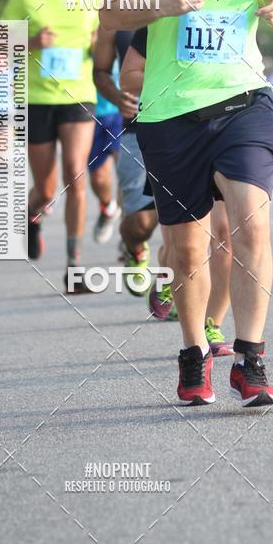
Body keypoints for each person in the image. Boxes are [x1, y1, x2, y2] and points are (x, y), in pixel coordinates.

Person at [100, 0, 273, 407]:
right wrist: (163, 3)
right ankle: (192, 350)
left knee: (251, 221)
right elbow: (111, 13)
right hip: (170, 111)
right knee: (185, 249)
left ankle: (250, 359)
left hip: (243, 97)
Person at [118, 27, 234, 356]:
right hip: (171, 129)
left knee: (225, 233)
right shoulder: (158, 17)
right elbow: (127, 76)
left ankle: (212, 325)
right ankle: (169, 277)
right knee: (180, 245)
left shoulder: (232, 6)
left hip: (227, 125)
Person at [1, 0, 100, 292]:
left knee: (76, 177)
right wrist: (30, 40)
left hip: (78, 98)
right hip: (37, 100)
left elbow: (108, 45)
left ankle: (74, 267)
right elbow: (0, 42)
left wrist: (99, 44)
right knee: (45, 188)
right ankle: (30, 215)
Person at [88, 0, 123, 244]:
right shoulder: (87, 17)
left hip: (125, 110)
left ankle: (129, 228)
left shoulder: (138, 17)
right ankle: (108, 207)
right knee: (98, 177)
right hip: (91, 110)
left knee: (128, 171)